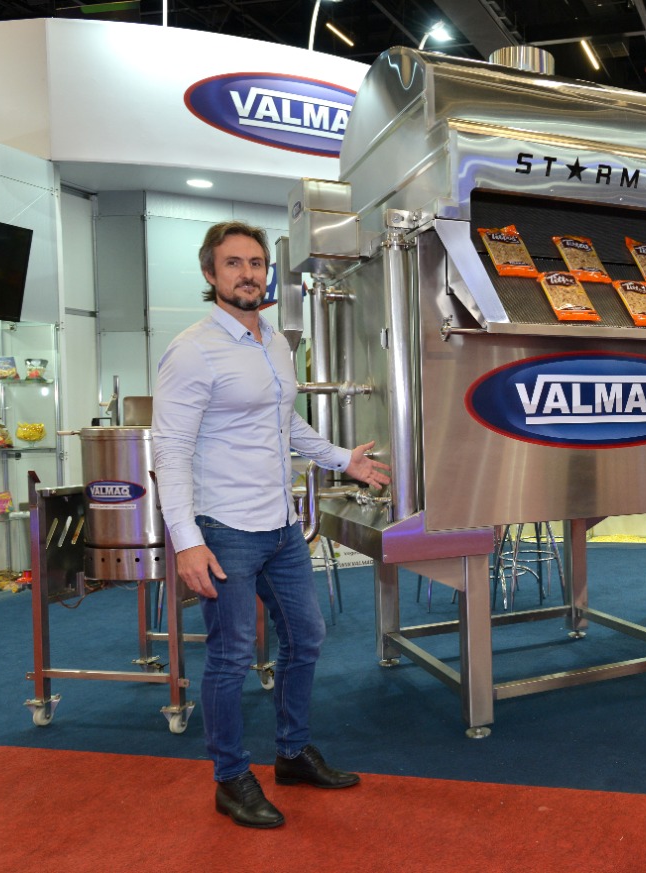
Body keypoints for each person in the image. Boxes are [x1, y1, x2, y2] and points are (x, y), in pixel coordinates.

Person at [152, 221, 390, 829]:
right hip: (223, 526)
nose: (247, 274)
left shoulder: (276, 341)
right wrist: (186, 542)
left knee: (306, 638)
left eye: (256, 263)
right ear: (210, 273)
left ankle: (291, 752)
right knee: (231, 657)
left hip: (281, 524)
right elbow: (170, 451)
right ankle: (230, 777)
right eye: (233, 263)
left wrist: (342, 459)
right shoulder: (192, 350)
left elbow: (288, 422)